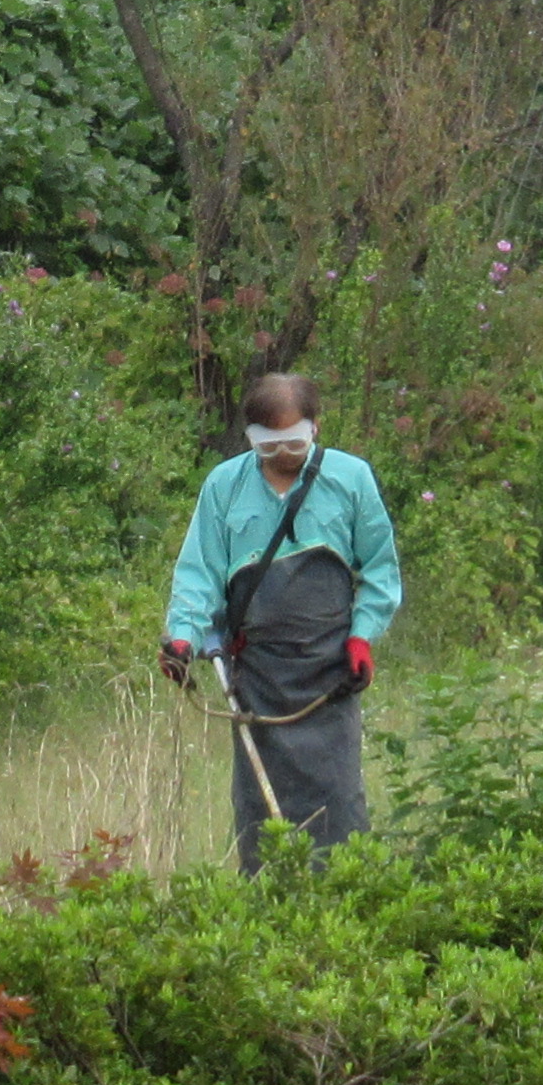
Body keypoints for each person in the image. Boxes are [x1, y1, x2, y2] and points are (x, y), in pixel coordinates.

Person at [160, 373, 405, 872]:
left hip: (330, 673)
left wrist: (362, 638)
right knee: (259, 810)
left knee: (338, 800)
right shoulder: (223, 486)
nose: (283, 454)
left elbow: (380, 568)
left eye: (295, 441)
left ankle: (347, 899)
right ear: (249, 437)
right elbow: (198, 573)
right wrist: (182, 639)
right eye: (268, 445)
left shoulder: (350, 478)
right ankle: (269, 909)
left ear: (316, 429)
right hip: (256, 677)